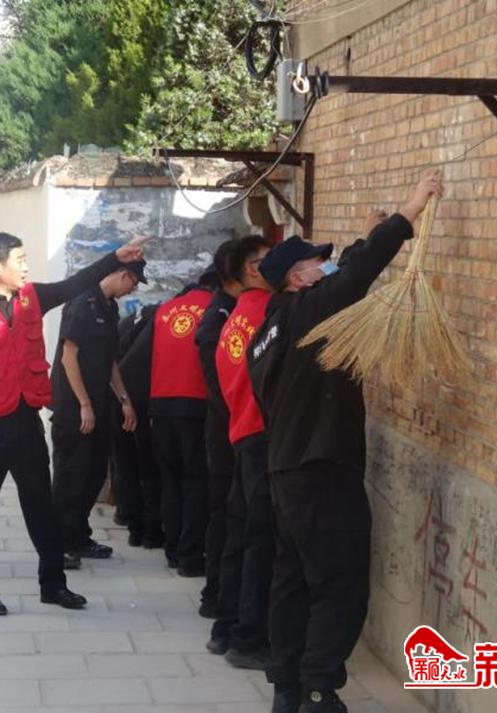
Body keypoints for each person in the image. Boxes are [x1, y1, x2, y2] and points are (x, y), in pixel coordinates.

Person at [248, 170, 443, 713]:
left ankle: (287, 687)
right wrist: (410, 209)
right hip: (321, 469)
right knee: (340, 581)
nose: (326, 266)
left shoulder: (272, 327)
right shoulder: (308, 313)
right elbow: (355, 275)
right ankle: (318, 690)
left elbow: (345, 274)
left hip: (286, 471)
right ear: (298, 279)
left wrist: (368, 233)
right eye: (318, 262)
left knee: (292, 581)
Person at [0, 231, 148, 616]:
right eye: (19, 260)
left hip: (25, 421)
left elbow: (75, 284)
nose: (26, 266)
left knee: (42, 506)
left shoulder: (32, 297)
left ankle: (53, 584)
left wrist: (114, 257)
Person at [209, 235, 275, 670]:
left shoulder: (236, 316)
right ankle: (249, 640)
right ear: (253, 269)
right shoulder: (269, 312)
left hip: (241, 435)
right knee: (260, 541)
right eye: (271, 258)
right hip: (262, 438)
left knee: (240, 536)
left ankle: (226, 628)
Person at [50, 262, 146, 560]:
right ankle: (58, 545)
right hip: (74, 408)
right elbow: (69, 357)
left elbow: (110, 360)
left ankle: (78, 536)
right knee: (71, 476)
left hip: (99, 404)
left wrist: (124, 399)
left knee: (93, 474)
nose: (134, 288)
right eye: (134, 281)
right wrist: (84, 404)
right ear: (123, 274)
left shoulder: (109, 307)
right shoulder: (82, 303)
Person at [149, 273, 215, 575]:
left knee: (171, 481)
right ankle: (190, 557)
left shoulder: (165, 310)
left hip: (161, 403)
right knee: (195, 482)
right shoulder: (215, 308)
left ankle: (173, 549)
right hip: (195, 403)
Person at [194, 240, 239, 618]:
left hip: (229, 426)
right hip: (226, 429)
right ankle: (217, 595)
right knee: (224, 513)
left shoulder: (228, 312)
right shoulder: (218, 317)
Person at [112, 303, 164, 549]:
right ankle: (152, 532)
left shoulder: (132, 322)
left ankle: (134, 527)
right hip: (140, 401)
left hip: (119, 396)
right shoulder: (159, 324)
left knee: (125, 466)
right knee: (148, 467)